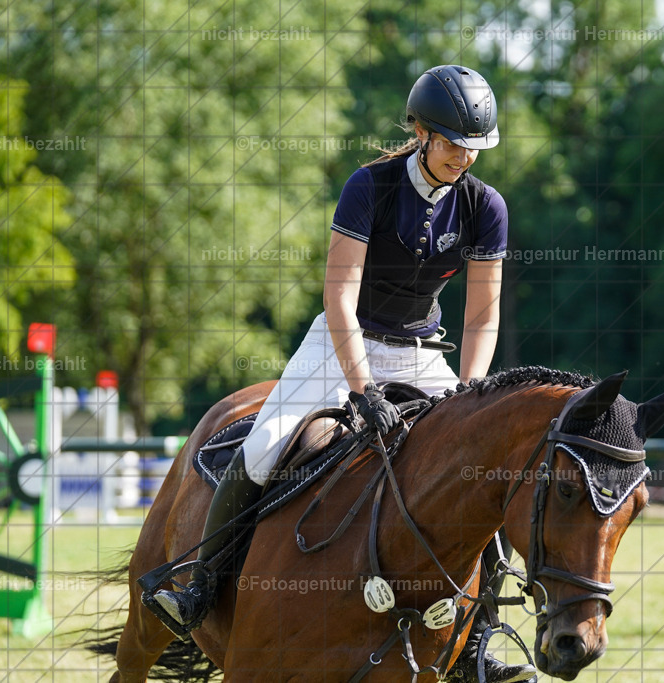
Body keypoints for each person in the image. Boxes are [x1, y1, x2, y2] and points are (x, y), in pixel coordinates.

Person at [149, 65, 535, 682]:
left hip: (420, 350)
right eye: (454, 144)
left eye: (474, 148)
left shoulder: (486, 206)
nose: (464, 157)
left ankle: (479, 637)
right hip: (340, 343)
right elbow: (339, 296)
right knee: (263, 448)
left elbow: (483, 313)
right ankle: (199, 588)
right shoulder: (370, 186)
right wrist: (363, 388)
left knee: (482, 472)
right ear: (420, 131)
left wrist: (468, 395)